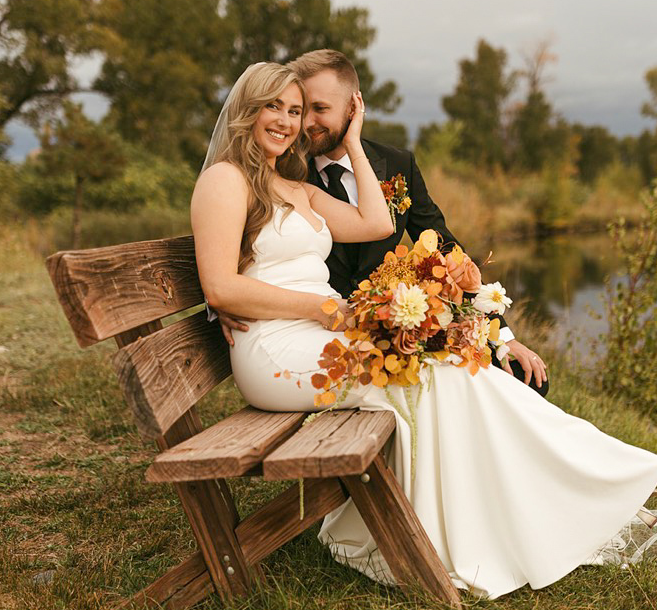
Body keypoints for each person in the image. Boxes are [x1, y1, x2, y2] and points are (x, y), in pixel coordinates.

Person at [190, 61, 657, 599]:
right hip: (279, 351)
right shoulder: (224, 181)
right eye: (273, 106)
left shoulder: (293, 187)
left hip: (323, 335)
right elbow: (221, 288)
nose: (285, 119)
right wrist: (323, 312)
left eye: (295, 110)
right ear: (247, 109)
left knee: (455, 368)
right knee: (438, 375)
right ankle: (612, 478)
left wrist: (354, 141)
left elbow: (377, 224)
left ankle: (610, 477)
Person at [219, 48, 551, 396]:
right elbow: (233, 238)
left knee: (524, 378)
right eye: (302, 109)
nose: (306, 122)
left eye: (318, 109)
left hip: (394, 325)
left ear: (352, 108)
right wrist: (223, 304)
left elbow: (445, 248)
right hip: (323, 331)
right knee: (448, 387)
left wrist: (502, 336)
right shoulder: (286, 167)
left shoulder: (395, 164)